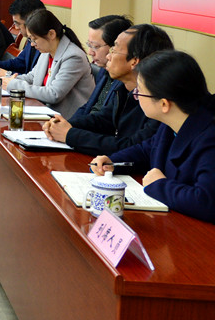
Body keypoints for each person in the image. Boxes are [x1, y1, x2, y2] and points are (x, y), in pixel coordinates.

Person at [91, 50, 215, 224]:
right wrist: (113, 162)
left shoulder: (209, 138)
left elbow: (206, 202)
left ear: (164, 104)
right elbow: (147, 150)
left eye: (140, 91)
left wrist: (159, 185)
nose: (136, 96)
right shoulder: (172, 122)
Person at [44, 23, 171, 154]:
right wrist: (62, 125)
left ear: (134, 61)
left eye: (114, 51)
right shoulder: (123, 88)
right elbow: (103, 119)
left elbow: (132, 147)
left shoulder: (158, 101)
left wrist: (70, 134)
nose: (108, 56)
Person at [3, 9, 94, 117]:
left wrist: (14, 85)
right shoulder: (47, 52)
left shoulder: (73, 57)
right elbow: (32, 77)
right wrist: (10, 80)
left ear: (51, 34)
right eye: (30, 39)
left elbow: (54, 94)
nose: (32, 44)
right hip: (45, 112)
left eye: (34, 39)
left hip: (67, 119)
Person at [66, 15, 133, 122]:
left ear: (115, 47)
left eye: (96, 47)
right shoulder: (103, 70)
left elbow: (105, 120)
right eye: (89, 45)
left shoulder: (126, 81)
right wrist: (67, 124)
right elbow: (88, 106)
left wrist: (70, 129)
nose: (90, 52)